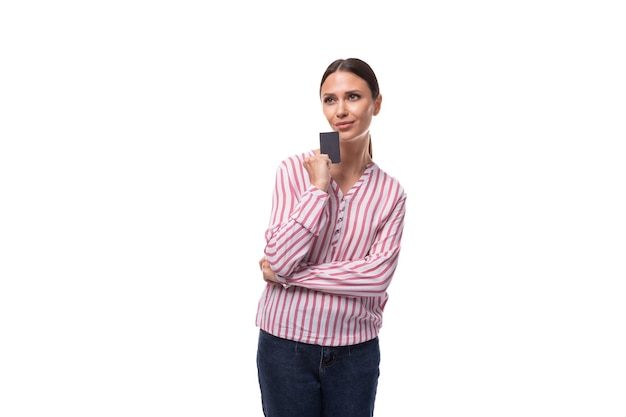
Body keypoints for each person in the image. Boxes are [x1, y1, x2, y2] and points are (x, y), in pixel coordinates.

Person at [255, 57, 407, 417]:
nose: (341, 110)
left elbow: (375, 278)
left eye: (353, 96)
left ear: (377, 103)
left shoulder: (391, 192)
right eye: (330, 99)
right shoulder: (294, 170)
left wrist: (293, 276)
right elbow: (277, 258)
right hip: (284, 346)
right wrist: (318, 190)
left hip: (355, 351)